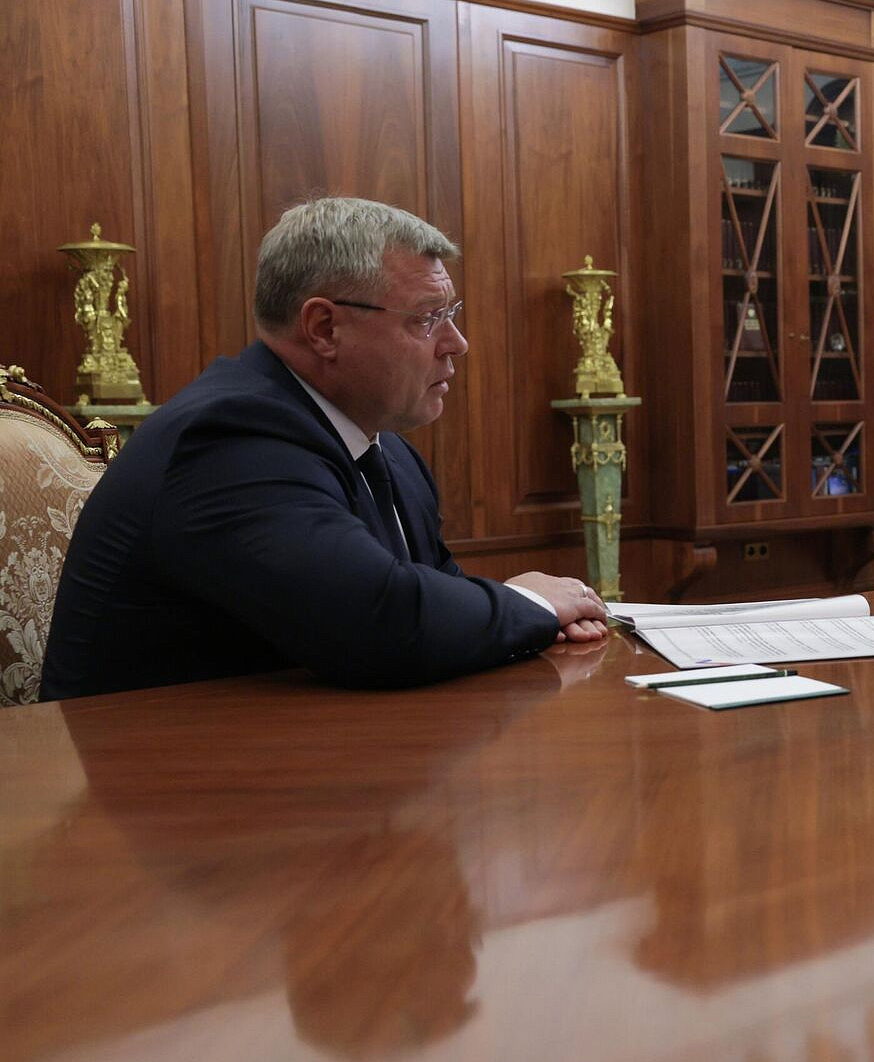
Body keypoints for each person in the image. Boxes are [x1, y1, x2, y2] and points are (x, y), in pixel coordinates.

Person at [40, 197, 608, 700]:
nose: (456, 343)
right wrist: (532, 605)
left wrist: (527, 615)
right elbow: (380, 624)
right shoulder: (229, 440)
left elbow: (434, 601)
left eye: (450, 315)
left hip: (307, 753)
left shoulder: (390, 453)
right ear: (324, 328)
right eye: (427, 319)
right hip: (161, 769)